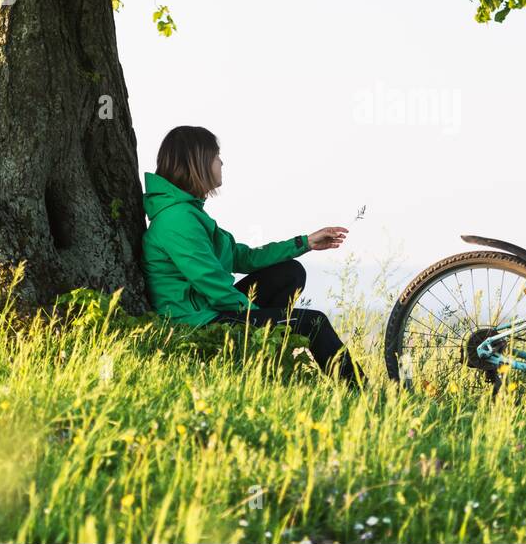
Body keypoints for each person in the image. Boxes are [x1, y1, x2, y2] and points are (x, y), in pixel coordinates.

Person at [142, 125, 364, 386]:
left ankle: (266, 362)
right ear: (197, 161)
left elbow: (241, 257)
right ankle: (363, 392)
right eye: (216, 156)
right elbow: (213, 286)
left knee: (289, 272)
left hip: (209, 309)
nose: (221, 162)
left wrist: (305, 243)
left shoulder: (189, 213)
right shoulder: (178, 219)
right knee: (314, 322)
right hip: (198, 323)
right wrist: (263, 324)